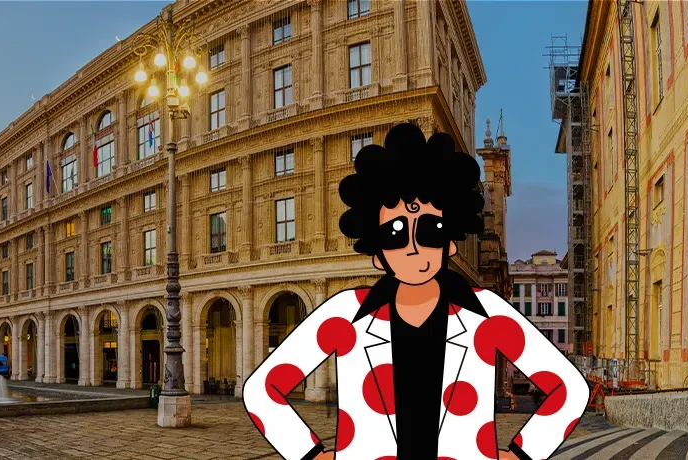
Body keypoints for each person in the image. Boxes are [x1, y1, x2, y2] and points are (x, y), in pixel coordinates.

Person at [241, 124, 586, 460]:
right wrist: (311, 454)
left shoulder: (487, 314)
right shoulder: (346, 313)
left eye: (430, 230)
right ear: (378, 253)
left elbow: (569, 389)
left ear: (450, 242)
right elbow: (262, 391)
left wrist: (521, 454)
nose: (413, 247)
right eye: (394, 234)